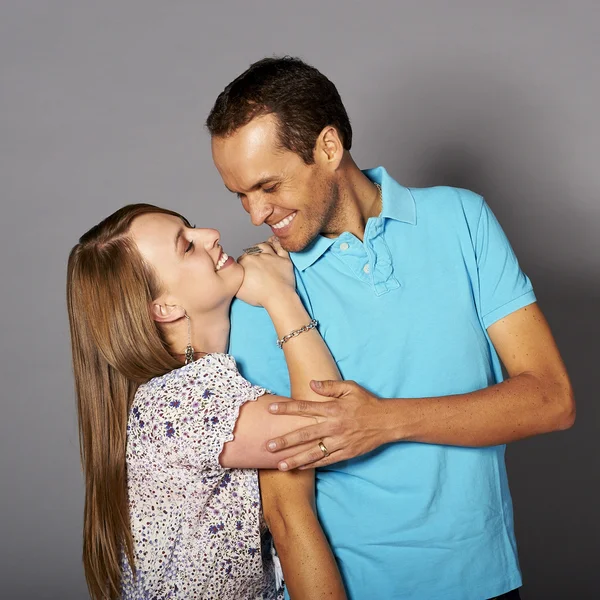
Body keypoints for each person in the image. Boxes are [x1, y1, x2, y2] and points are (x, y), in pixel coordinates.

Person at [206, 56, 576, 600]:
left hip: (487, 580)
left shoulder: (462, 220)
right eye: (240, 194)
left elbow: (551, 399)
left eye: (267, 186)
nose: (256, 214)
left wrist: (382, 422)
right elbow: (287, 511)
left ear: (328, 148)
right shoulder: (263, 292)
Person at [66, 203, 347, 599]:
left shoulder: (200, 387)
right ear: (164, 309)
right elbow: (330, 427)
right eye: (186, 246)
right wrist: (279, 296)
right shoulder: (173, 404)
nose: (212, 233)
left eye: (192, 228)